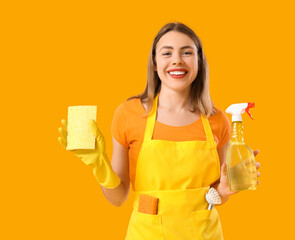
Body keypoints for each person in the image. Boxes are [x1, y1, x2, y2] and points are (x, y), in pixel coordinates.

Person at [58, 22, 261, 240]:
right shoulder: (128, 114)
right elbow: (117, 199)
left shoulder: (217, 120)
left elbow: (214, 196)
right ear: (154, 62)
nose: (177, 60)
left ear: (199, 62)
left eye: (187, 52)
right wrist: (99, 164)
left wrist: (224, 190)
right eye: (167, 52)